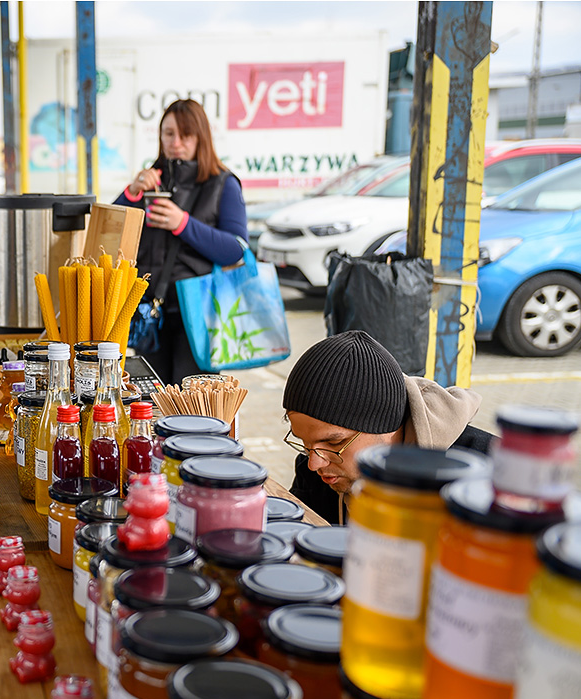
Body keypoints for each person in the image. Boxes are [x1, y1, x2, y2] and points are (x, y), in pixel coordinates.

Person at [282, 330, 496, 524]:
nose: (314, 463)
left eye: (335, 442)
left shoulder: (491, 476)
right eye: (305, 443)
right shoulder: (314, 471)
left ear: (387, 425)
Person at [114, 98, 248, 386]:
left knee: (191, 404)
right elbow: (111, 232)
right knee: (151, 400)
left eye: (186, 135)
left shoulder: (223, 183)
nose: (176, 143)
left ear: (201, 137)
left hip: (200, 315)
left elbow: (235, 248)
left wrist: (183, 224)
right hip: (149, 313)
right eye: (168, 133)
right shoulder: (150, 182)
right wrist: (132, 193)